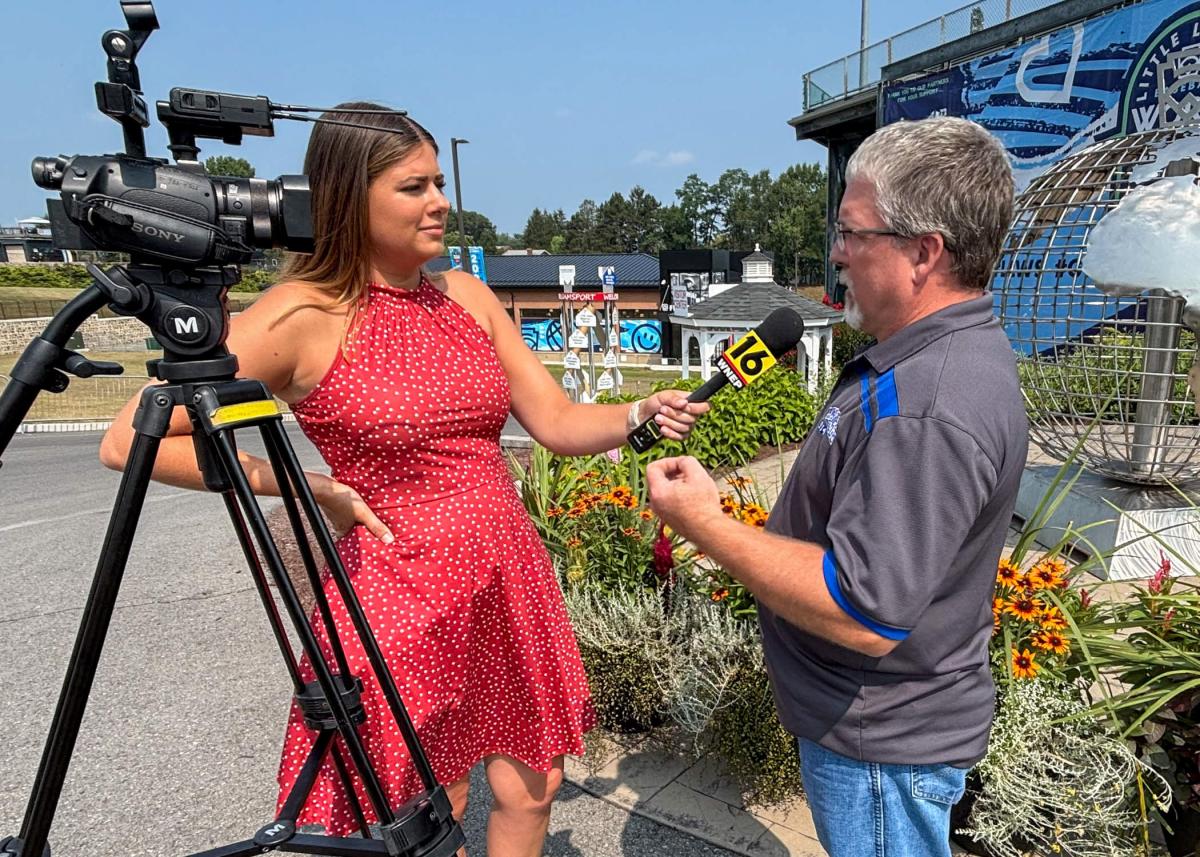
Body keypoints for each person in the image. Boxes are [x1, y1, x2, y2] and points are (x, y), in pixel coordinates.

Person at [99, 102, 708, 857]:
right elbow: (131, 438)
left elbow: (553, 419)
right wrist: (307, 488)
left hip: (504, 572)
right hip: (399, 591)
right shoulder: (302, 313)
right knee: (422, 802)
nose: (440, 202)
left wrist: (637, 408)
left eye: (439, 182)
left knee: (533, 784)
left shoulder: (467, 295)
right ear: (349, 198)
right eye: (414, 186)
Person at [646, 116, 1026, 857]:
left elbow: (863, 609)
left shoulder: (929, 402)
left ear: (924, 252)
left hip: (880, 746)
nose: (836, 253)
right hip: (872, 735)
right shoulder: (919, 362)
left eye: (854, 233)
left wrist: (707, 523)